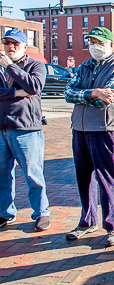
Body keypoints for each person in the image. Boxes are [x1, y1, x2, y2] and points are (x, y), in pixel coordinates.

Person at [64, 27, 114, 247]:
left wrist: (84, 95)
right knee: (84, 178)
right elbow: (68, 93)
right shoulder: (84, 67)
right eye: (91, 42)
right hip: (80, 129)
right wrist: (92, 92)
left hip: (106, 131)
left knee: (108, 179)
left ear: (111, 45)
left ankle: (113, 227)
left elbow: (107, 98)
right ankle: (87, 221)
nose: (95, 46)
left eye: (100, 42)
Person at [0, 29, 51, 231]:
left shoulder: (35, 65)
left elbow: (34, 86)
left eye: (15, 44)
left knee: (33, 173)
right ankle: (5, 212)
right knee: (2, 174)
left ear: (24, 47)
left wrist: (10, 67)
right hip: (1, 128)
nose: (10, 47)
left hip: (26, 128)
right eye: (7, 44)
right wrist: (16, 92)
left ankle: (41, 212)